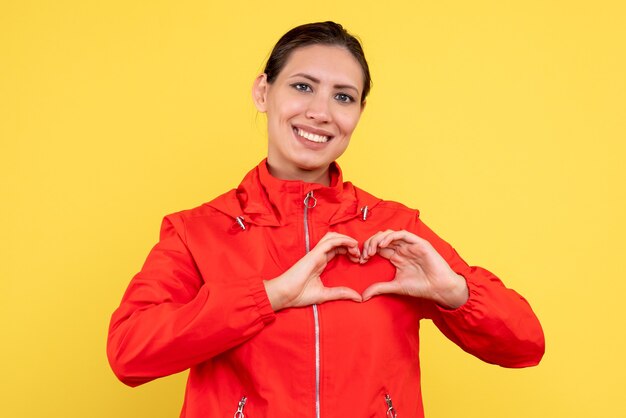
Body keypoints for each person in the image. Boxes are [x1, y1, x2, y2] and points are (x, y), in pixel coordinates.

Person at [107, 21, 544, 418]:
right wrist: (268, 297)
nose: (321, 111)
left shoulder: (396, 231)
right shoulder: (198, 231)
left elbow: (525, 344)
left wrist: (455, 292)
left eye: (342, 97)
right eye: (302, 86)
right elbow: (129, 352)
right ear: (263, 92)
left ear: (358, 113)